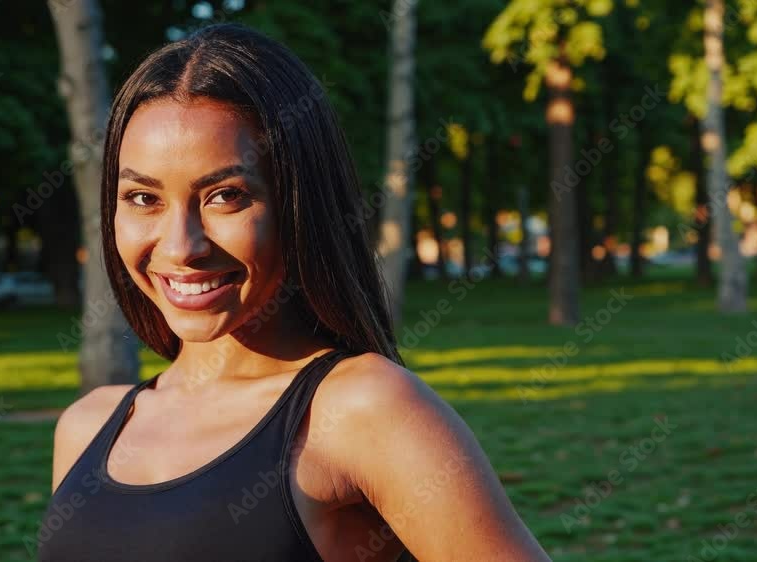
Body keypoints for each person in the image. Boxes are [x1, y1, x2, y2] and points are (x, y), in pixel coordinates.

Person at [38, 23, 551, 562]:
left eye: (226, 196)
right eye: (143, 197)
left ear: (299, 204)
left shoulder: (365, 409)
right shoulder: (86, 427)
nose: (181, 245)